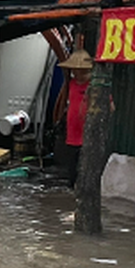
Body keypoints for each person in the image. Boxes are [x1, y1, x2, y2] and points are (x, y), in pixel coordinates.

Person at [54, 49, 94, 188]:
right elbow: (63, 104)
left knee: (85, 169)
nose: (78, 74)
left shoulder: (94, 87)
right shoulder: (70, 84)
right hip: (72, 133)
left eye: (81, 71)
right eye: (75, 71)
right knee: (72, 169)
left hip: (87, 134)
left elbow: (110, 107)